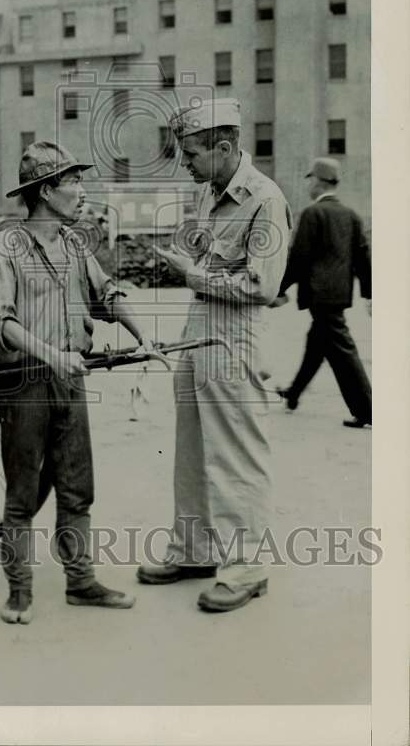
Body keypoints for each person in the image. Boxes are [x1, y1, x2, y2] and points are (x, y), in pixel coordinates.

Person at [0, 141, 155, 624]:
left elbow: (106, 293)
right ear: (44, 191)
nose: (82, 191)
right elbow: (0, 321)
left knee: (77, 488)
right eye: (72, 182)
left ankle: (81, 583)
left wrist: (142, 334)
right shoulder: (7, 247)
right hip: (24, 383)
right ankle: (19, 593)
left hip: (70, 381)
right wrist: (52, 355)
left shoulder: (75, 245)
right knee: (22, 496)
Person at [136, 99, 292, 613]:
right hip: (199, 326)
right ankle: (195, 551)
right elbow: (206, 257)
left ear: (224, 148)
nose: (186, 165)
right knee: (193, 450)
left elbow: (262, 285)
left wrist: (193, 273)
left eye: (192, 154)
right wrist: (180, 261)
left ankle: (247, 569)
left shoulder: (264, 199)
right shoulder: (208, 193)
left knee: (236, 455)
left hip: (234, 333)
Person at [274, 157, 371, 428]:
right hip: (339, 293)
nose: (310, 186)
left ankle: (369, 410)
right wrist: (369, 293)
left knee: (343, 351)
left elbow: (298, 258)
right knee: (317, 343)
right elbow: (363, 255)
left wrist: (278, 288)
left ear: (318, 182)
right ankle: (293, 394)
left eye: (311, 180)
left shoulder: (312, 214)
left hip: (319, 295)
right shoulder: (351, 215)